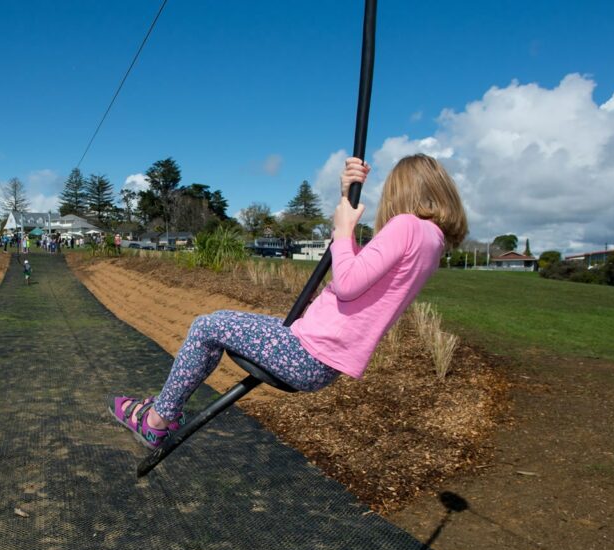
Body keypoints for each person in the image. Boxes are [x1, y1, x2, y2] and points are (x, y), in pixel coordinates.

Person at [110, 154, 467, 448]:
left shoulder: (407, 225)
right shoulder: (431, 242)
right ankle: (163, 409)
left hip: (306, 351)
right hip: (316, 355)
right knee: (221, 322)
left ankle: (158, 419)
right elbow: (363, 272)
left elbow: (347, 282)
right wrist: (347, 196)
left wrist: (343, 231)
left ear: (402, 192)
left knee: (207, 325)